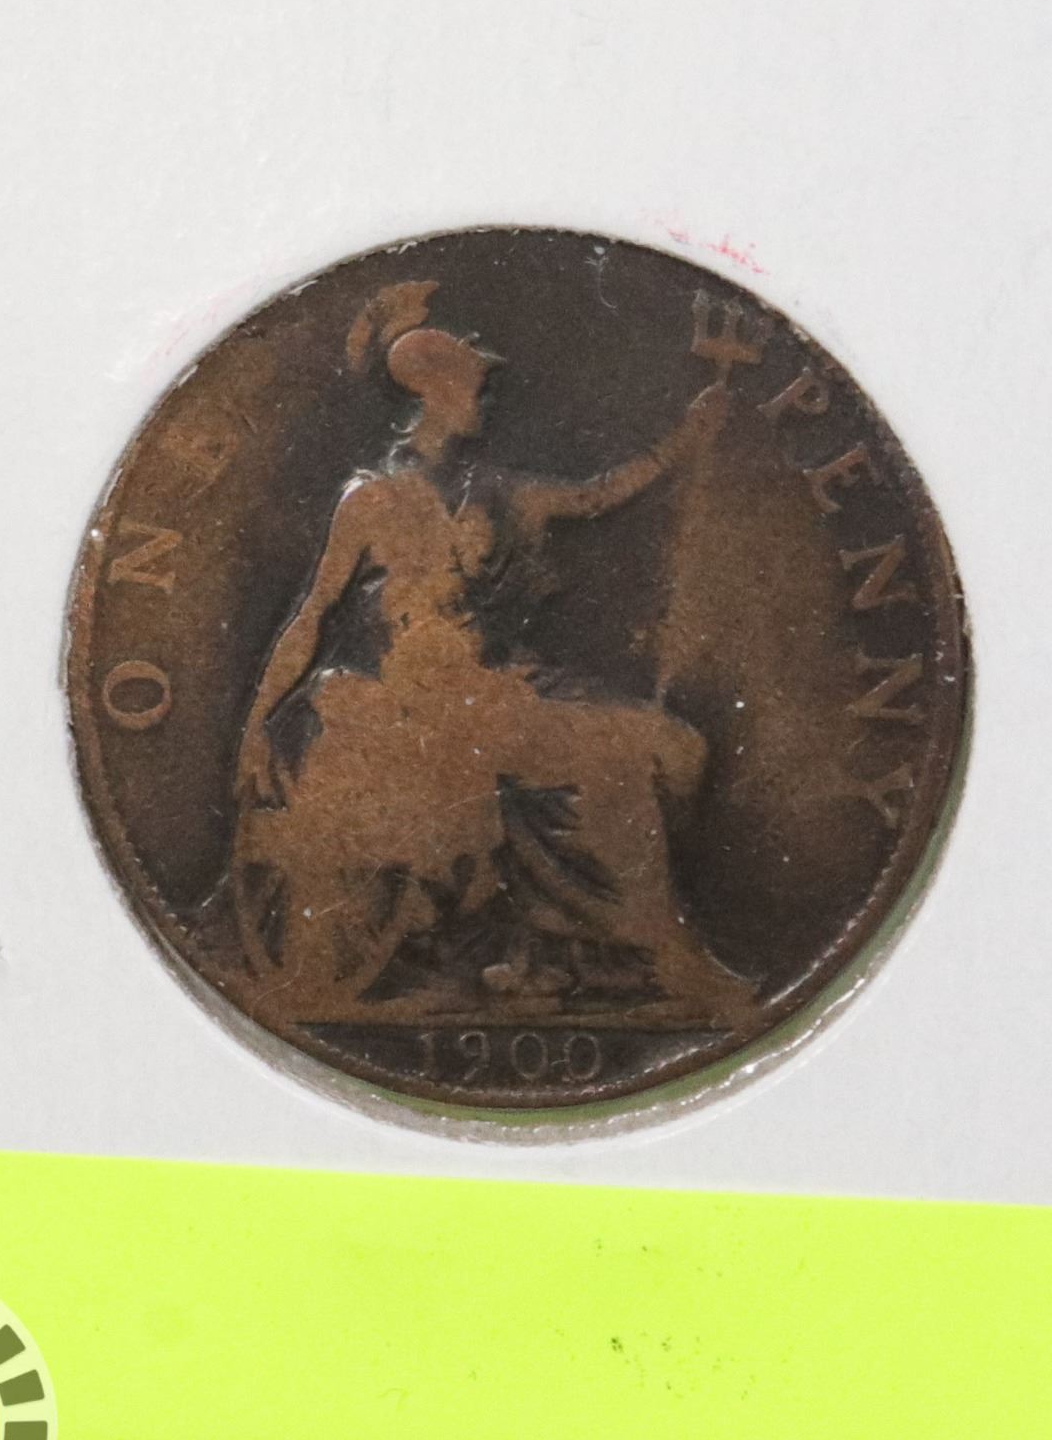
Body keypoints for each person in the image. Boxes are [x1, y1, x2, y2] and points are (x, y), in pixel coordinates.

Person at [231, 289, 751, 1020]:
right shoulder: (372, 504)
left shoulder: (504, 492)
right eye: (476, 384)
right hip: (413, 708)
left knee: (678, 748)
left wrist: (686, 442)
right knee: (618, 760)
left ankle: (570, 949)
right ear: (435, 392)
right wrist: (259, 724)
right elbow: (312, 615)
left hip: (498, 690)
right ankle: (657, 956)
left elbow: (598, 496)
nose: (488, 396)